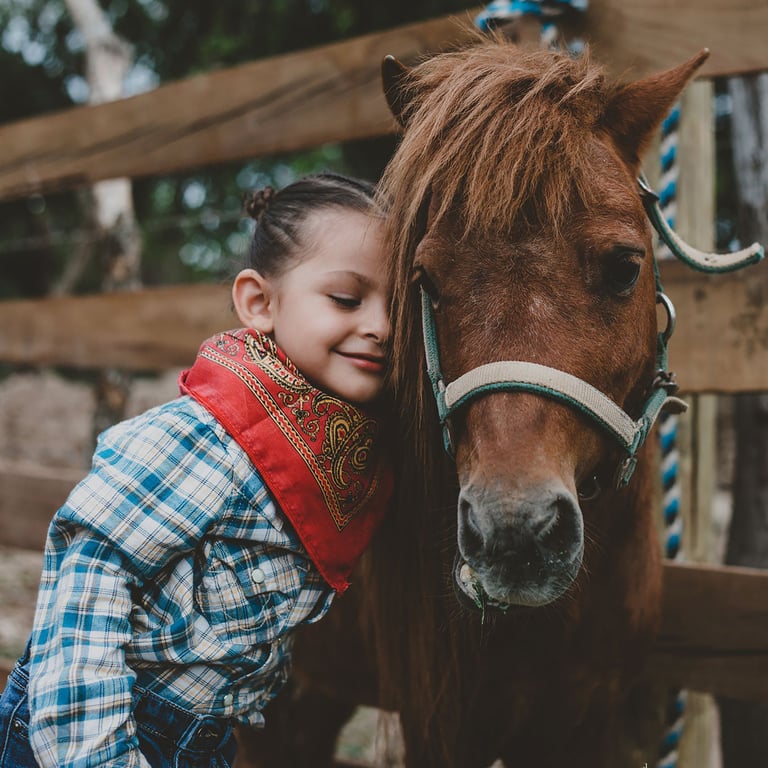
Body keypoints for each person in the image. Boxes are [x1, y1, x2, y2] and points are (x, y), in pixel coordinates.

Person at [0, 173, 394, 768]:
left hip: (203, 741)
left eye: (403, 307)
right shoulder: (211, 436)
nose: (383, 327)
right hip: (102, 729)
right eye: (346, 299)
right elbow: (90, 577)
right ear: (259, 303)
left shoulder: (329, 451)